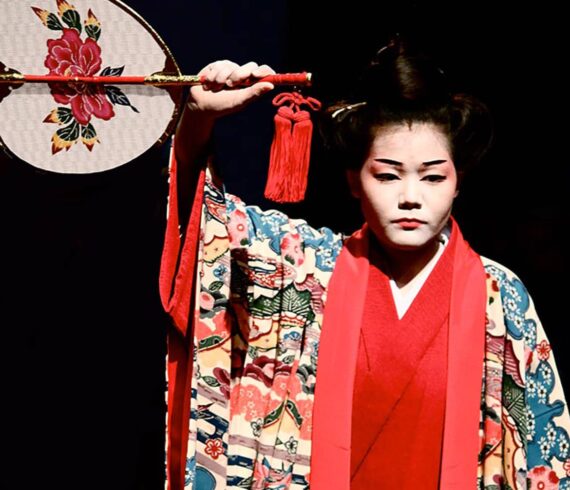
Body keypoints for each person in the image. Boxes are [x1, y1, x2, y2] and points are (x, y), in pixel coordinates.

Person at [159, 39, 570, 489]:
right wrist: (197, 121)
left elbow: (541, 451)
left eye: (433, 176)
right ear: (354, 180)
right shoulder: (306, 268)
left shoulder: (499, 295)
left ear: (458, 182)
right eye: (388, 175)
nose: (410, 196)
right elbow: (211, 229)